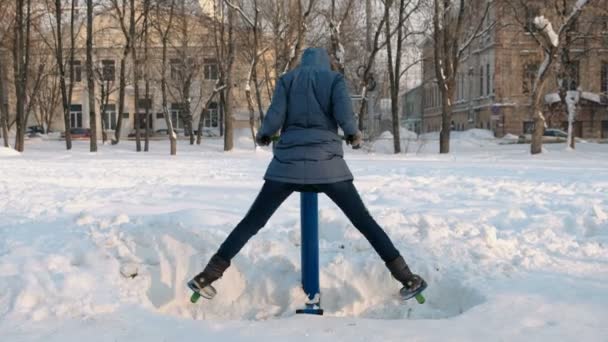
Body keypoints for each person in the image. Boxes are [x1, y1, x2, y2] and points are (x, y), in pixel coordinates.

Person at [188, 47, 426, 299]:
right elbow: (344, 113)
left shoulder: (287, 80)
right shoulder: (334, 80)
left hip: (286, 166)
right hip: (328, 167)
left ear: (302, 63)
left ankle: (207, 276)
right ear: (326, 63)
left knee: (252, 221)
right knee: (364, 221)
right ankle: (406, 277)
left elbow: (276, 113)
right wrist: (353, 135)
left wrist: (265, 134)